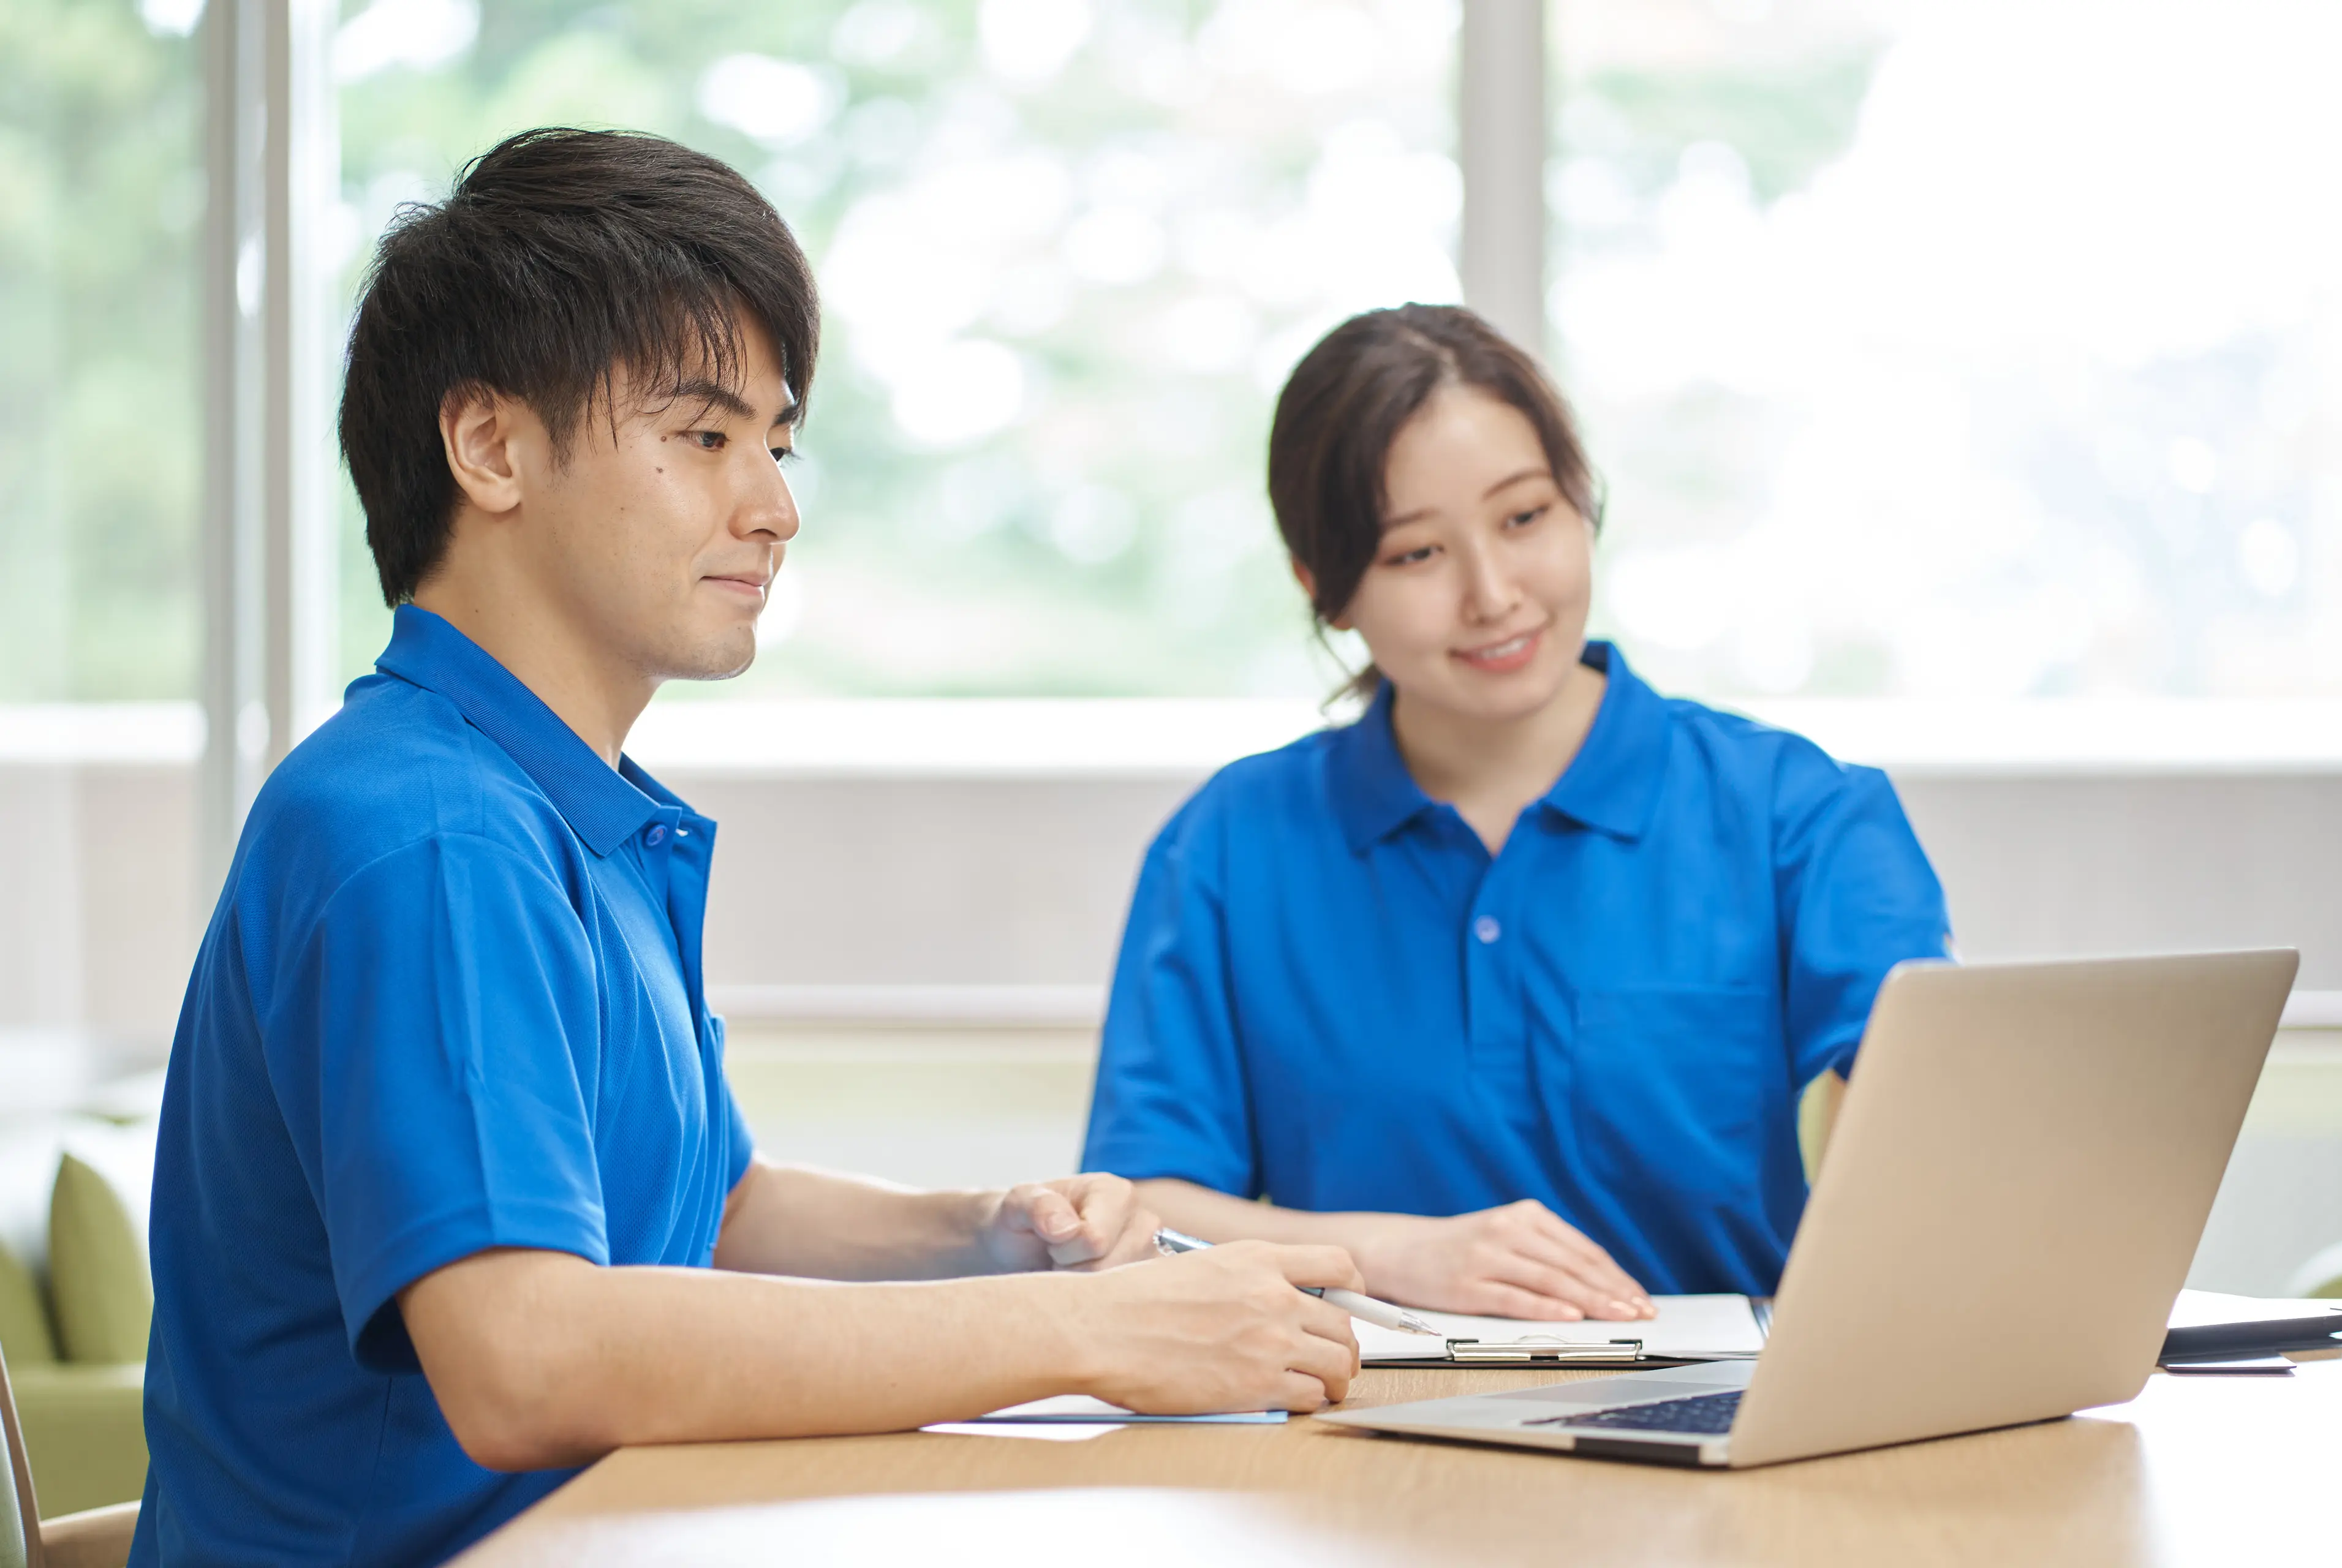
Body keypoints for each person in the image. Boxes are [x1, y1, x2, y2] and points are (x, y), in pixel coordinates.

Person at [133, 128, 1358, 1568]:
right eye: (704, 436)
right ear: (489, 445)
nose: (774, 505)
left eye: (777, 442)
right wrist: (1086, 1329)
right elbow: (526, 1349)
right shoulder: (428, 831)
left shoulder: (565, 807)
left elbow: (707, 1207)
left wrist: (991, 1232)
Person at [1081, 304, 1951, 1324]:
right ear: (1325, 585)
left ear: (1584, 506)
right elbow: (1142, 1213)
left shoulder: (1798, 815)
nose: (1493, 594)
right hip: (1357, 1439)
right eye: (1417, 555)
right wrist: (1395, 1254)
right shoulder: (1226, 849)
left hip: (1731, 1429)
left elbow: (1942, 1136)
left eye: (1525, 517)